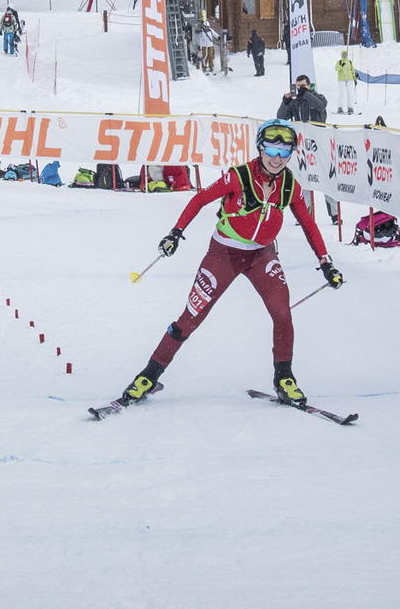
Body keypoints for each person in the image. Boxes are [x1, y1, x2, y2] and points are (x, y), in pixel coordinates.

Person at [113, 119, 343, 408]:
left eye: (284, 153)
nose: (276, 159)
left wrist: (326, 262)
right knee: (191, 318)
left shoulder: (289, 185)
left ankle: (284, 378)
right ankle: (148, 375)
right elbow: (200, 200)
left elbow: (309, 224)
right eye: (271, 150)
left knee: (282, 313)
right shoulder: (239, 176)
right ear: (260, 148)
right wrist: (175, 233)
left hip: (262, 256)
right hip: (224, 254)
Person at [334, 50, 358, 114]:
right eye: (343, 54)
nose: (344, 55)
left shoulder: (349, 62)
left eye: (345, 54)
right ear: (342, 55)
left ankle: (350, 108)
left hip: (349, 79)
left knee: (349, 94)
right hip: (341, 79)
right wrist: (341, 65)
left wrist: (354, 79)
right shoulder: (339, 62)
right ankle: (340, 108)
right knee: (341, 93)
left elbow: (352, 70)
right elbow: (336, 69)